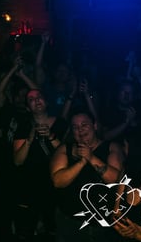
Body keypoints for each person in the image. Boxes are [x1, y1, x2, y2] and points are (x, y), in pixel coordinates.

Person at [49, 110, 125, 242]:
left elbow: (116, 181)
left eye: (84, 125)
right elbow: (58, 181)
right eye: (75, 127)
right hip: (69, 221)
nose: (80, 130)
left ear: (94, 125)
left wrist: (91, 157)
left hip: (100, 224)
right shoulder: (65, 149)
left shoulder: (111, 147)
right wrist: (82, 161)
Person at [12, 88, 68, 240]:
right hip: (30, 185)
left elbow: (69, 155)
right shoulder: (24, 126)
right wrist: (29, 140)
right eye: (31, 99)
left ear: (46, 101)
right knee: (26, 230)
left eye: (39, 97)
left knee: (53, 231)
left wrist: (51, 137)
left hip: (54, 185)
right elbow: (17, 161)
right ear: (27, 107)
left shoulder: (61, 124)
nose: (36, 100)